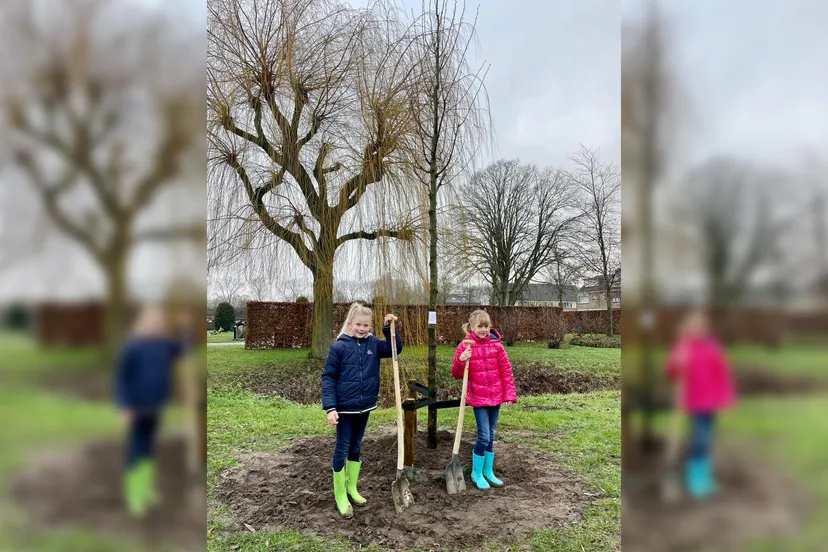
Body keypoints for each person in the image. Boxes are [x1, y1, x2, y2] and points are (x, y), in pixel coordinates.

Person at [321, 303, 402, 519]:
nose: (362, 328)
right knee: (343, 447)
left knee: (356, 446)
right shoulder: (339, 347)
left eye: (366, 325)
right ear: (350, 324)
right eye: (358, 324)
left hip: (364, 406)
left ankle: (351, 488)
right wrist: (330, 407)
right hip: (344, 409)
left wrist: (389, 329)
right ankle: (340, 494)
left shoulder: (374, 344)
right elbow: (328, 377)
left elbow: (395, 349)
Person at [114, 303, 189, 517]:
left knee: (148, 450)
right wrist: (124, 406)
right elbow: (123, 379)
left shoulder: (164, 345)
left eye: (159, 322)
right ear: (143, 323)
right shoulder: (133, 347)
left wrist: (185, 329)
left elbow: (184, 349)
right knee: (136, 451)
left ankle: (146, 491)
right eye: (153, 322)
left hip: (156, 406)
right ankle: (134, 495)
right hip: (136, 408)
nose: (156, 325)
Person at [665, 308, 736, 499]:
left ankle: (705, 477)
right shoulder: (683, 349)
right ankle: (696, 480)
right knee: (700, 439)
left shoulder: (712, 347)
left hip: (710, 402)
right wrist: (676, 362)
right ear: (687, 328)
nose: (698, 329)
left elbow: (722, 374)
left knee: (707, 440)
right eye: (693, 326)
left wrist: (726, 398)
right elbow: (671, 374)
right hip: (693, 403)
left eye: (701, 326)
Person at [452, 309, 518, 490]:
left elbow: (506, 372)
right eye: (480, 326)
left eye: (486, 326)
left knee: (491, 436)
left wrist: (509, 394)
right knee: (484, 436)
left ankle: (488, 471)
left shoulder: (497, 346)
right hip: (479, 399)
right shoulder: (465, 346)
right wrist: (461, 360)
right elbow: (456, 374)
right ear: (471, 327)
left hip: (496, 397)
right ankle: (476, 472)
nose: (483, 330)